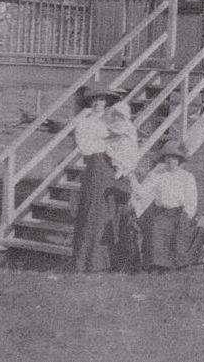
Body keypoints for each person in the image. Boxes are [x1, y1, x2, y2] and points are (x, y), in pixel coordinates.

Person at [70, 86, 133, 272]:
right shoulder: (83, 123)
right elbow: (85, 148)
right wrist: (106, 142)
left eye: (102, 100)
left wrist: (120, 160)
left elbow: (125, 140)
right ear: (90, 102)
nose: (99, 103)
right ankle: (90, 261)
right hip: (96, 166)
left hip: (114, 166)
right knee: (94, 209)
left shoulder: (112, 119)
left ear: (107, 102)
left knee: (113, 207)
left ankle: (113, 260)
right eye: (95, 99)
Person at [130, 140, 204, 272]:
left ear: (179, 160)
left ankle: (173, 263)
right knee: (156, 226)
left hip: (179, 213)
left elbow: (191, 200)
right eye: (168, 158)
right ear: (164, 159)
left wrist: (187, 215)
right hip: (161, 213)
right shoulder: (157, 175)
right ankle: (157, 263)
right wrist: (132, 179)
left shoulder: (187, 177)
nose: (171, 161)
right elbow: (142, 192)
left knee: (180, 230)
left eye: (174, 158)